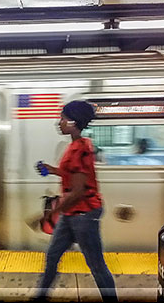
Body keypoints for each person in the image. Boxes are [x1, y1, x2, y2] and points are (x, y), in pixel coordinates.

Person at [34, 100, 118, 302]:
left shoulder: (80, 148)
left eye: (62, 119)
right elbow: (72, 175)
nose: (59, 123)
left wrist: (51, 213)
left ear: (72, 122)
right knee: (53, 255)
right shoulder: (76, 146)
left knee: (96, 265)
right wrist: (53, 170)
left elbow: (78, 191)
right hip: (71, 213)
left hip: (83, 215)